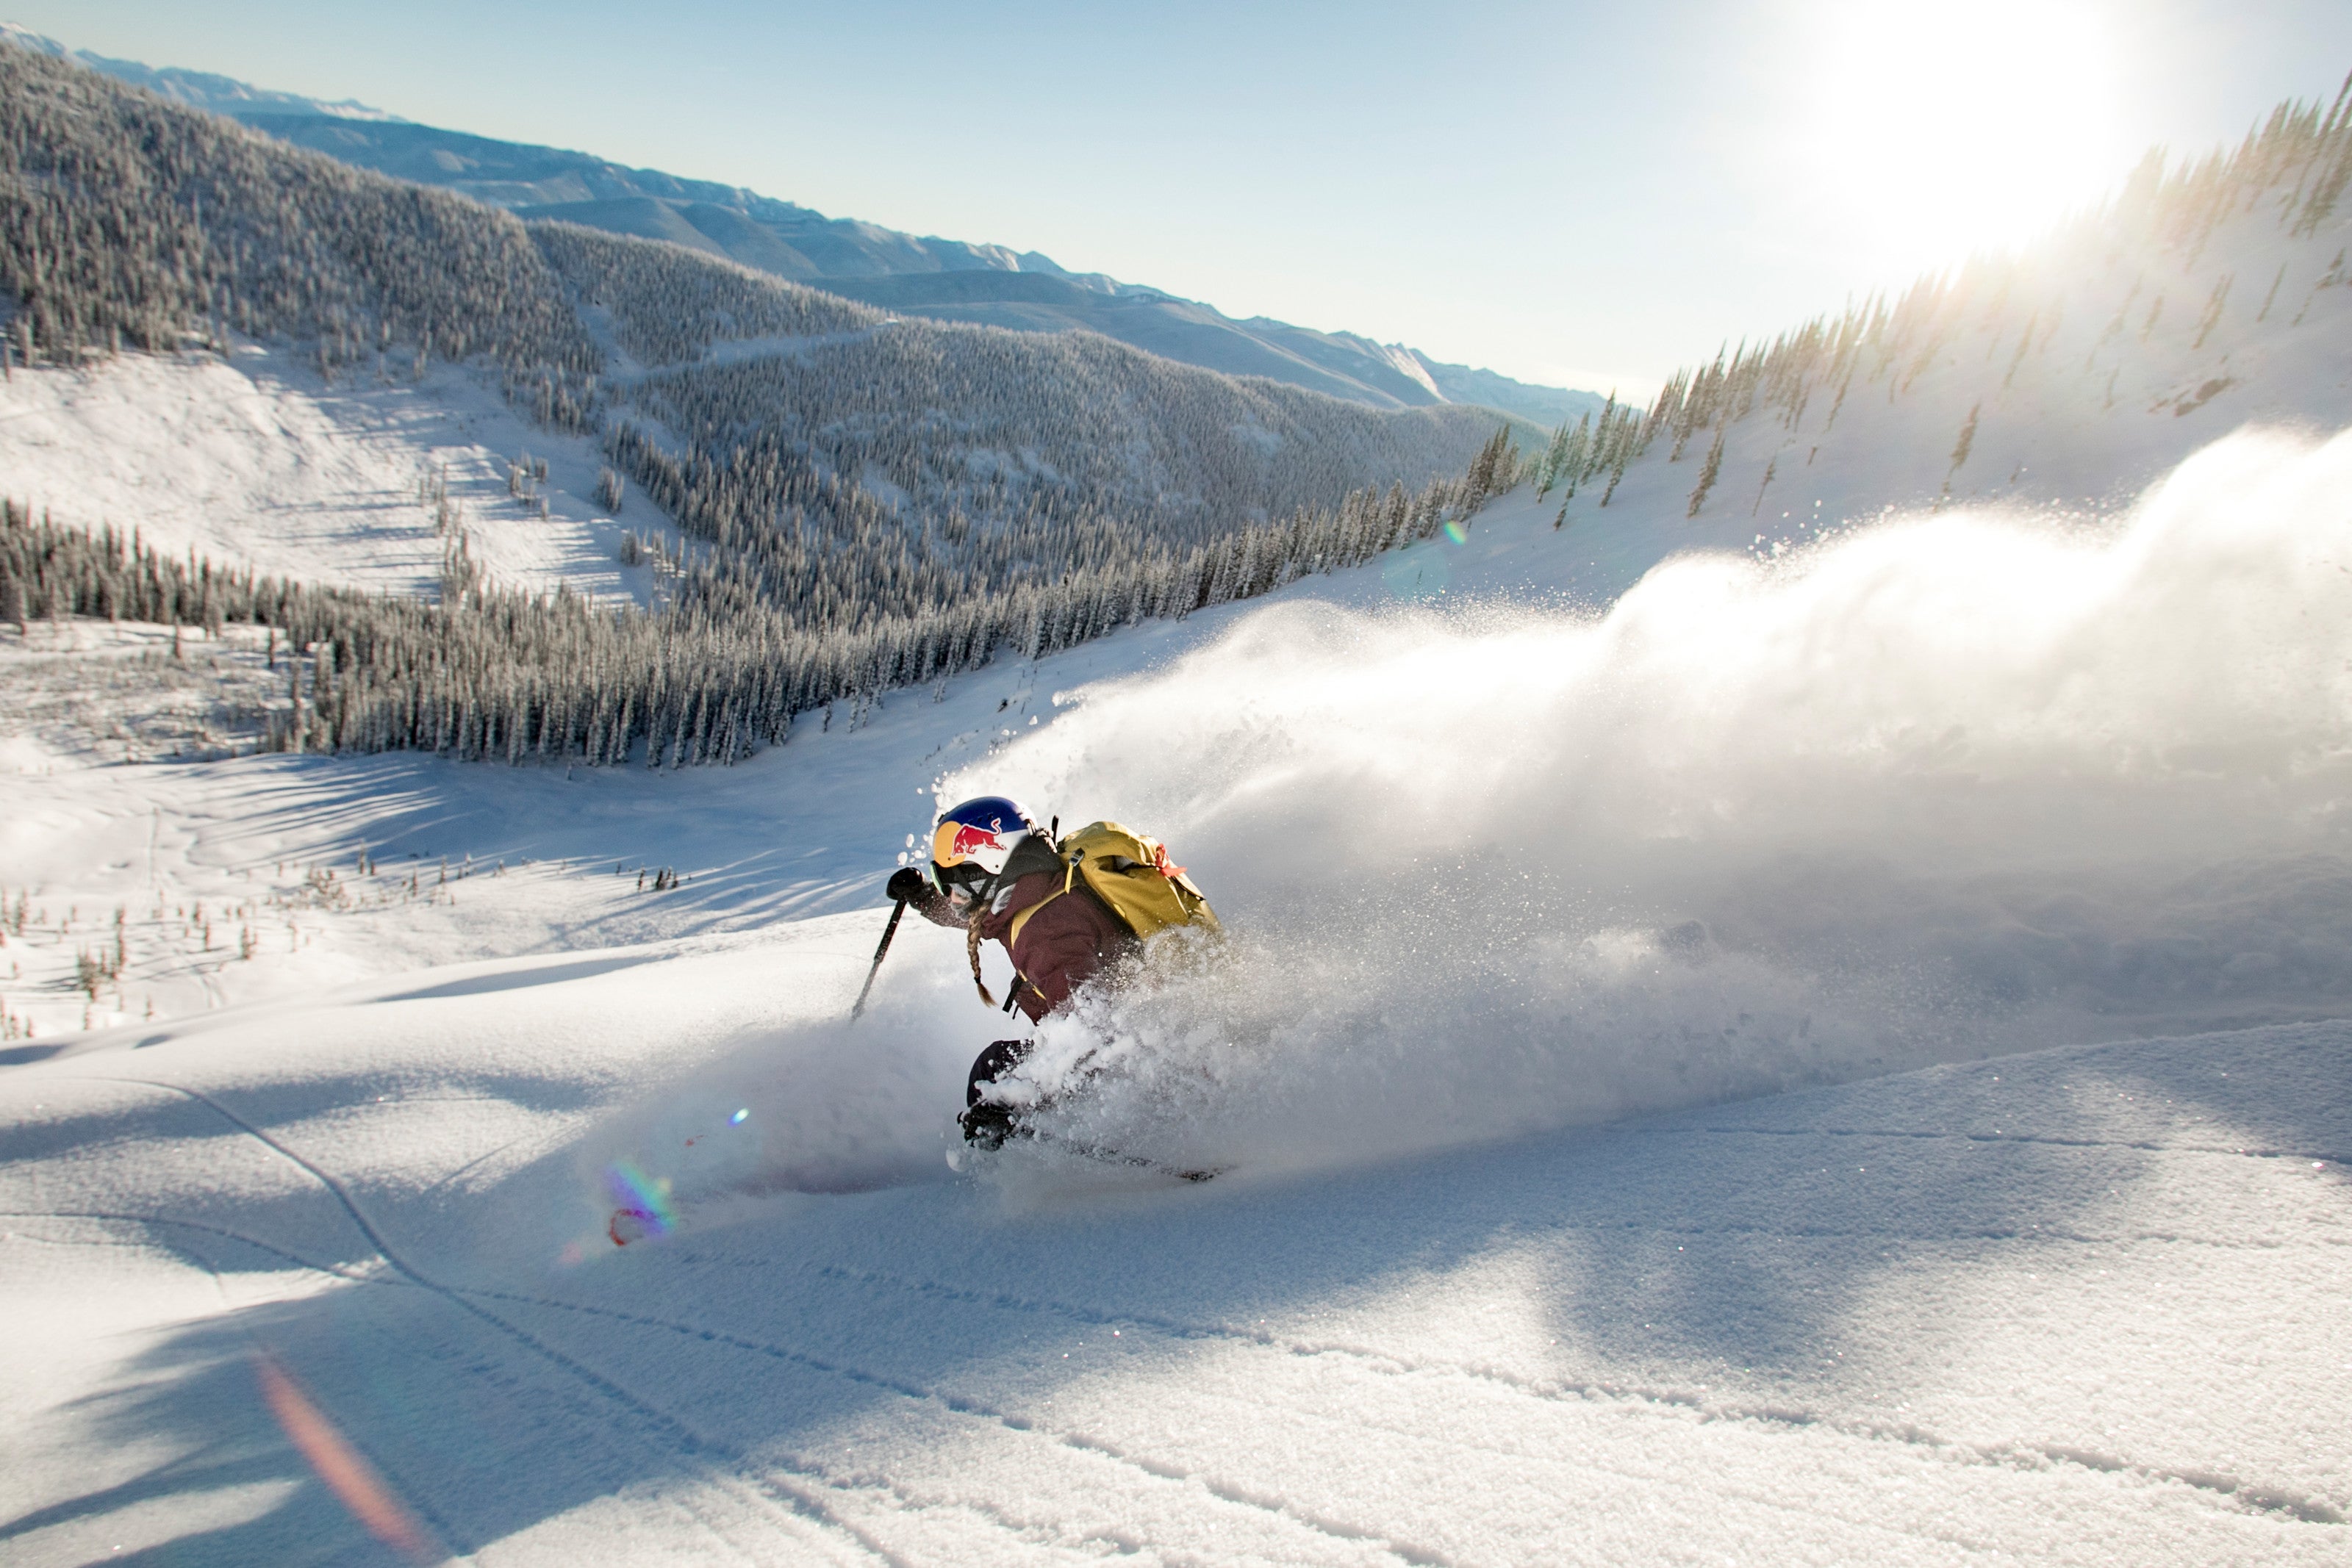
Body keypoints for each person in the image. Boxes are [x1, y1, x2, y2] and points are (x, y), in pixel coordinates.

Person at [884, 795, 1201, 1148]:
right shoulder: (1036, 884)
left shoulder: (1046, 931)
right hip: (1145, 1036)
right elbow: (981, 917)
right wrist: (926, 898)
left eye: (955, 884)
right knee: (998, 1068)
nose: (953, 897)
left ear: (989, 870)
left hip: (1145, 1066)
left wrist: (1010, 1101)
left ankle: (1027, 1162)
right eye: (945, 884)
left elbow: (1089, 1032)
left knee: (992, 1071)